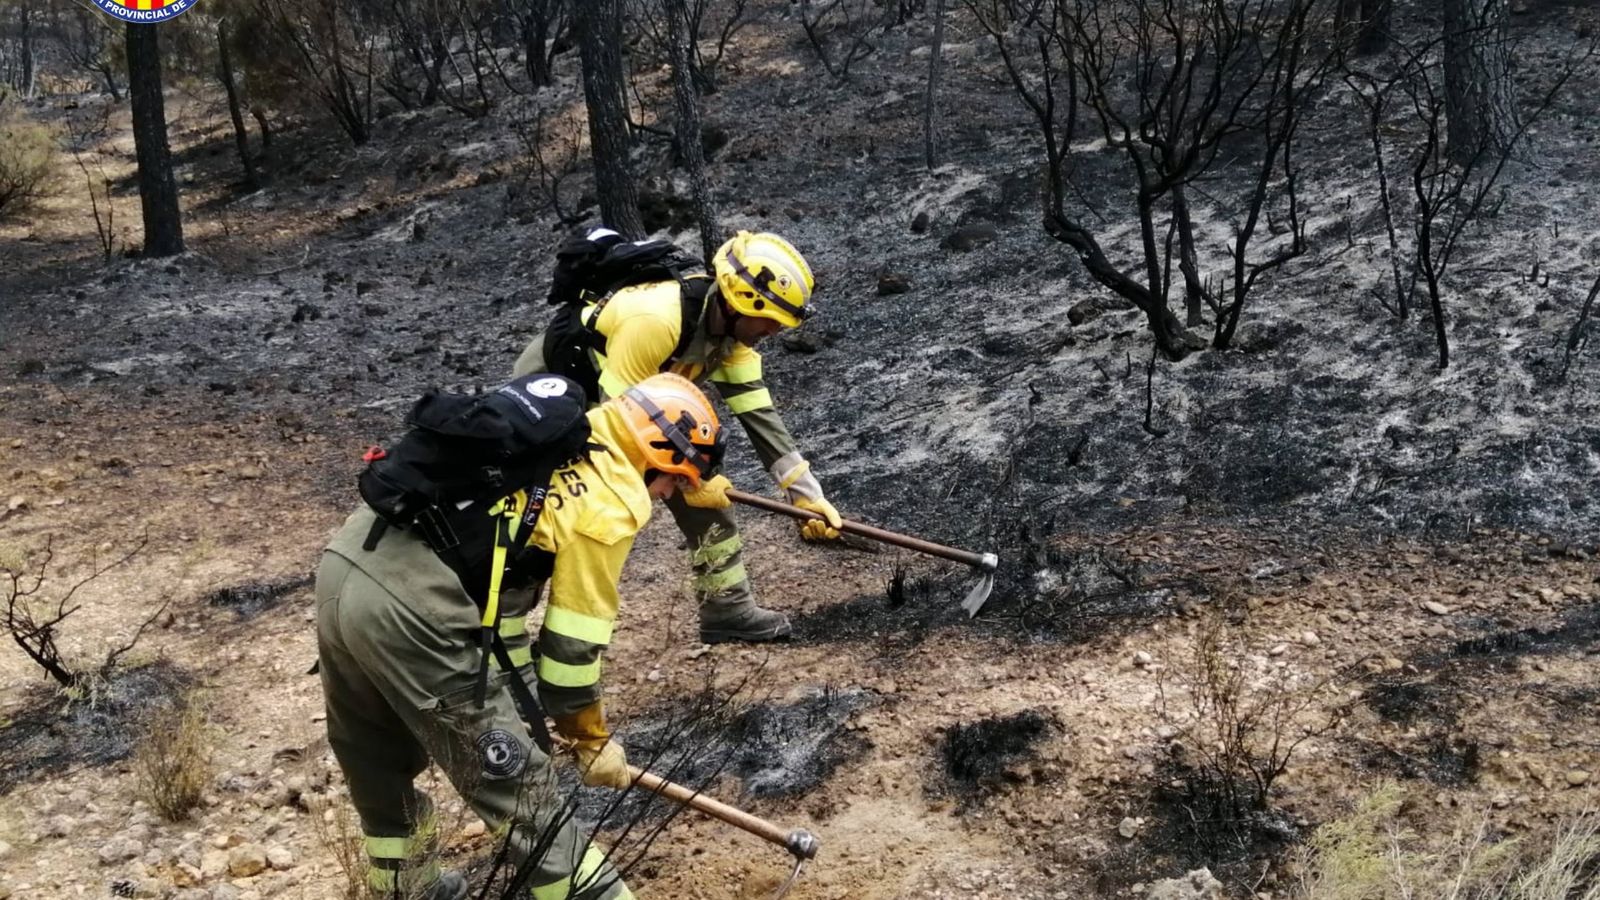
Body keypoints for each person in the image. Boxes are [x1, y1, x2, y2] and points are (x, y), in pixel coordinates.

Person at [315, 373, 726, 900]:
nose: (671, 493)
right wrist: (589, 737)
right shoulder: (615, 498)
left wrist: (527, 700)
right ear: (657, 454)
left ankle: (406, 884)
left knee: (373, 748)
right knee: (521, 790)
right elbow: (572, 651)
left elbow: (501, 594)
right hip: (409, 608)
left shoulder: (566, 440)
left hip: (345, 563)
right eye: (676, 479)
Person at [514, 229, 843, 644]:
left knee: (706, 484)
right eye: (773, 320)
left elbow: (762, 421)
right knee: (566, 506)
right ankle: (509, 632)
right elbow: (619, 434)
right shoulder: (654, 321)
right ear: (745, 301)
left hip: (634, 401)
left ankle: (728, 609)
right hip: (559, 389)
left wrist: (806, 494)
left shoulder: (730, 338)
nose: (775, 331)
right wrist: (694, 480)